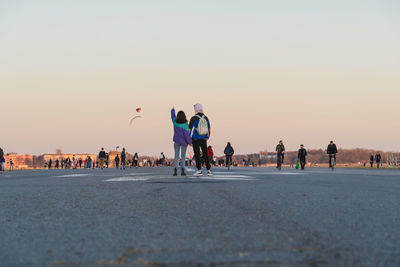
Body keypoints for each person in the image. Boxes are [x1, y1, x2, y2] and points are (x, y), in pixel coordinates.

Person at [189, 103, 212, 176]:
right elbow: (209, 128)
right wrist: (208, 136)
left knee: (197, 154)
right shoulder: (206, 117)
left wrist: (188, 139)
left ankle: (199, 170)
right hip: (204, 138)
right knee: (205, 154)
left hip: (195, 138)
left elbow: (189, 129)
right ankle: (208, 170)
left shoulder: (193, 118)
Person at [171, 107, 192, 176]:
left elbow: (172, 116)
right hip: (184, 142)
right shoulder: (185, 124)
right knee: (183, 156)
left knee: (176, 156)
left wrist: (173, 110)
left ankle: (175, 170)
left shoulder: (175, 122)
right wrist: (190, 142)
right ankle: (183, 170)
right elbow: (187, 135)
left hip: (176, 141)